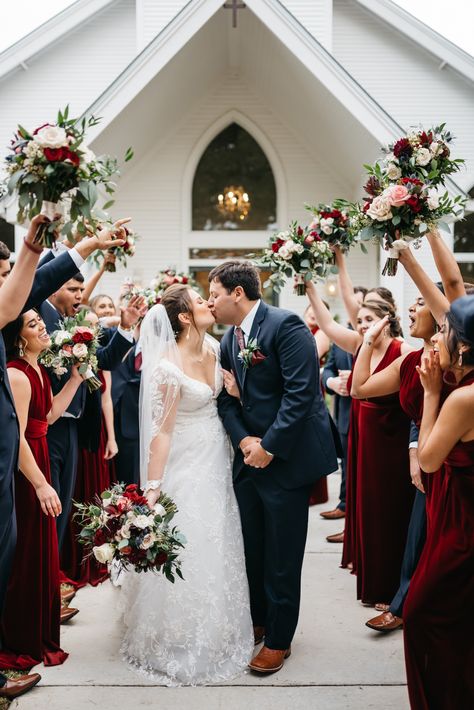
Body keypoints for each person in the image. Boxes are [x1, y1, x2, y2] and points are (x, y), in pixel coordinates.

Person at [120, 286, 253, 685]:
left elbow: (225, 400)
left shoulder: (216, 346)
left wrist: (234, 390)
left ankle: (218, 624)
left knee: (221, 539)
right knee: (191, 538)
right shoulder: (165, 364)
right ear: (182, 317)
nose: (209, 304)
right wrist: (154, 487)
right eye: (200, 301)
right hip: (187, 460)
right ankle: (178, 632)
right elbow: (161, 432)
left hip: (220, 455)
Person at [209, 261, 338, 674]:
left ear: (238, 294)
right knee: (253, 549)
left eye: (214, 294)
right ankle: (259, 620)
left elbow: (302, 395)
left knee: (282, 555)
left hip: (286, 461)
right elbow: (228, 400)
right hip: (249, 461)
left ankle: (279, 640)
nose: (210, 302)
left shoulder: (287, 326)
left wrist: (270, 446)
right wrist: (245, 440)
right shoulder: (230, 339)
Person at [305, 281, 413, 603]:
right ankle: (373, 580)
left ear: (386, 319)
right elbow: (326, 324)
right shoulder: (359, 343)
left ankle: (391, 586)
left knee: (389, 512)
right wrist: (309, 285)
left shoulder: (402, 350)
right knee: (367, 509)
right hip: (363, 438)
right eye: (361, 320)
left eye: (368, 319)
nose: (363, 325)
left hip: (391, 440)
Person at [0, 308, 84, 669]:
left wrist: (76, 380)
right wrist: (40, 485)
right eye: (33, 324)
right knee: (26, 554)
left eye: (40, 322)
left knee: (42, 551)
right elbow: (15, 438)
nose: (43, 327)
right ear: (20, 337)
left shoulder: (38, 370)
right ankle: (18, 637)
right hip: (26, 470)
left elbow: (47, 416)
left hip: (42, 456)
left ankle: (36, 633)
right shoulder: (17, 374)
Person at [403, 295, 474, 710]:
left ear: (462, 346)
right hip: (456, 513)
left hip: (461, 526)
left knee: (422, 614)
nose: (437, 339)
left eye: (444, 332)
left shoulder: (463, 399)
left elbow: (428, 460)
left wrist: (431, 394)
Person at [61, 309, 118, 587]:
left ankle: (101, 556)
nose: (96, 331)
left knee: (99, 495)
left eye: (98, 327)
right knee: (80, 496)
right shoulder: (73, 358)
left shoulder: (100, 357)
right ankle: (76, 560)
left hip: (99, 433)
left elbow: (106, 399)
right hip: (80, 433)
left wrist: (112, 437)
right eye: (91, 326)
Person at [320, 286, 367, 530]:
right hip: (346, 413)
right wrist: (332, 382)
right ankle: (344, 505)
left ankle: (357, 522)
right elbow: (327, 369)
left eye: (361, 304)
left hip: (370, 415)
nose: (356, 309)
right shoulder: (340, 339)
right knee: (346, 464)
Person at [304, 302, 330, 507]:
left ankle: (315, 492)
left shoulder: (321, 333)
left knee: (310, 434)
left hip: (311, 386)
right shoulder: (299, 331)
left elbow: (311, 357)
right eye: (310, 309)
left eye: (318, 310)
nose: (313, 313)